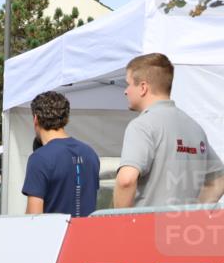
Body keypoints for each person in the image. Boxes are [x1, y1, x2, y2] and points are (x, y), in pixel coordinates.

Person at [114, 52, 224, 208]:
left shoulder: (142, 126)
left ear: (143, 87)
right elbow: (218, 180)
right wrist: (194, 214)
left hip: (147, 228)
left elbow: (126, 180)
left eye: (128, 84)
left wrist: (120, 224)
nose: (126, 91)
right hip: (181, 229)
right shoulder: (195, 128)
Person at [21, 91, 100, 217]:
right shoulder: (90, 154)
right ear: (66, 118)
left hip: (55, 236)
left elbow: (33, 218)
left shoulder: (39, 159)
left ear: (36, 118)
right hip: (87, 234)